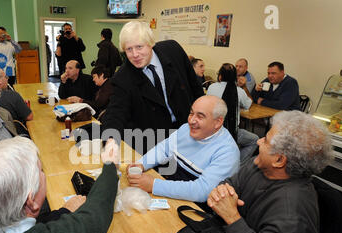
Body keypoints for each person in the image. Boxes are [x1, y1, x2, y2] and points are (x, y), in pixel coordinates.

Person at [207, 110, 333, 233]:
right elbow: (228, 184)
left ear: (279, 160)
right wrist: (220, 192)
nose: (257, 141)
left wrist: (232, 217)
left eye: (265, 140)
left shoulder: (292, 209)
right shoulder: (258, 165)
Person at [101, 21, 204, 155]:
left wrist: (204, 120)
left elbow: (195, 86)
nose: (135, 54)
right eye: (129, 49)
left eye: (139, 47)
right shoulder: (123, 77)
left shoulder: (173, 50)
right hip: (155, 142)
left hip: (188, 131)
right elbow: (115, 112)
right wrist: (110, 142)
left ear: (150, 43)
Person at [127, 95, 239, 204]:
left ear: (218, 122)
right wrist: (141, 164)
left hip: (194, 206)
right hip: (169, 190)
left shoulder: (227, 152)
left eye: (200, 116)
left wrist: (154, 185)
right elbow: (164, 149)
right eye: (191, 113)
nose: (191, 121)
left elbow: (202, 191)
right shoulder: (186, 129)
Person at [207, 63, 259, 163]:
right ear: (236, 77)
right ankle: (237, 163)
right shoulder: (239, 91)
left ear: (220, 76)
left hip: (211, 130)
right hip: (232, 132)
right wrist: (243, 87)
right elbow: (248, 104)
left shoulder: (212, 87)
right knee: (255, 139)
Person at [0, 67, 33, 135]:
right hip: (17, 137)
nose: (7, 78)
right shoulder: (12, 95)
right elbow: (29, 117)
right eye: (5, 77)